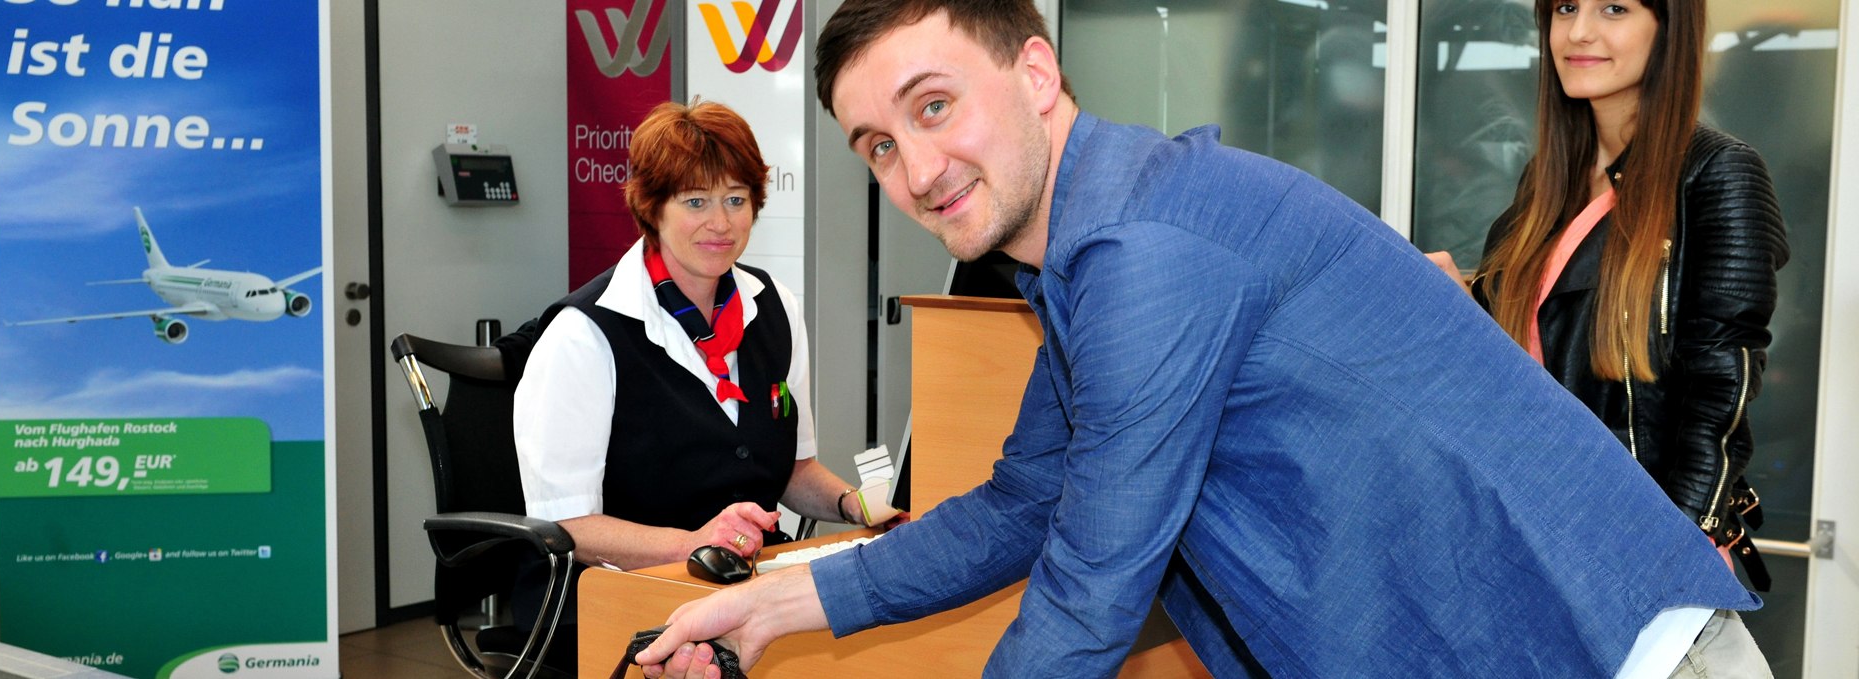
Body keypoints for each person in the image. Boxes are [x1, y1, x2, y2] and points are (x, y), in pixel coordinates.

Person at [636, 2, 1763, 677]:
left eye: (934, 107)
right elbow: (1026, 503)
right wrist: (778, 600)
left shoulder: (1146, 249)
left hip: (1609, 648)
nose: (916, 172)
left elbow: (1089, 589)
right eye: (875, 146)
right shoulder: (1098, 248)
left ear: (1036, 72)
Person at [510, 100, 880, 670]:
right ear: (651, 207)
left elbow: (793, 470)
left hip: (740, 588)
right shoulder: (584, 334)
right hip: (611, 597)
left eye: (736, 199)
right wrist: (692, 545)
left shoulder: (774, 306)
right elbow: (568, 525)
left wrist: (856, 507)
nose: (721, 222)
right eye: (695, 201)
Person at [1432, 0, 1788, 592]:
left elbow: (1720, 390)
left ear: (1668, 28)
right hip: (1537, 540)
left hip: (1643, 556)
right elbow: (1524, 368)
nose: (1579, 32)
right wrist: (1460, 305)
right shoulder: (1548, 183)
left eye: (1614, 9)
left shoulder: (1716, 172)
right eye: (1565, 7)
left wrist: (1669, 549)